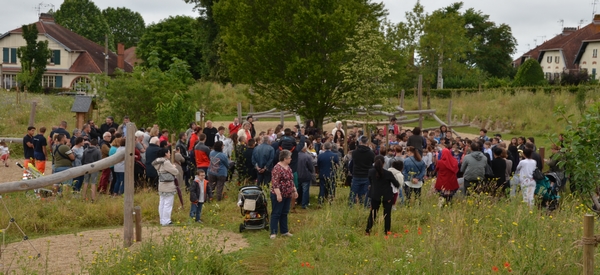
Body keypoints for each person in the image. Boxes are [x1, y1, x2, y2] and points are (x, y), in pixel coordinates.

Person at [365, 155, 400, 235]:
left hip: (375, 195)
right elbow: (396, 184)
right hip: (387, 196)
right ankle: (387, 231)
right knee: (387, 214)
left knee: (373, 213)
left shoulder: (371, 172)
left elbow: (370, 182)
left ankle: (368, 230)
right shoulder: (388, 173)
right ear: (384, 163)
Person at [270, 150, 298, 239]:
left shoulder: (288, 167)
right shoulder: (277, 168)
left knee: (284, 213)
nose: (291, 159)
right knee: (276, 213)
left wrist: (294, 190)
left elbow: (291, 180)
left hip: (288, 194)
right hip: (279, 194)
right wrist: (278, 194)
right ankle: (273, 232)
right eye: (289, 158)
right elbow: (275, 183)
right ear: (285, 158)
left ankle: (284, 231)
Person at [153, 148, 179, 226]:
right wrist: (174, 167)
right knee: (168, 203)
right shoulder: (166, 162)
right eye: (168, 152)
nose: (170, 154)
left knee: (162, 203)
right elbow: (175, 172)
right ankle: (166, 221)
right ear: (165, 154)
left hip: (161, 184)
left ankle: (162, 220)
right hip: (168, 185)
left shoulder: (157, 162)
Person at [349, 136, 375, 206]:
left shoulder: (354, 153)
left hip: (356, 174)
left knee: (353, 192)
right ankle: (366, 206)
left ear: (360, 142)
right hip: (366, 175)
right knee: (367, 192)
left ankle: (350, 205)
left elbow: (352, 164)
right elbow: (373, 163)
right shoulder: (371, 153)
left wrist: (352, 172)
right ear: (367, 143)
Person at [296, 144, 315, 209]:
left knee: (298, 189)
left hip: (297, 174)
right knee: (305, 190)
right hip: (305, 175)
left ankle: (298, 201)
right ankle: (304, 204)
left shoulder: (295, 156)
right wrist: (311, 172)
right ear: (305, 148)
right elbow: (311, 167)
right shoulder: (307, 156)